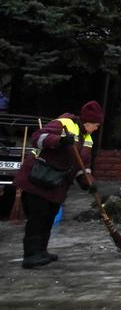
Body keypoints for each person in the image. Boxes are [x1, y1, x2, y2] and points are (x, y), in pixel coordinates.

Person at [13, 101, 103, 268]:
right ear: (88, 122)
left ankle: (41, 251)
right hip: (38, 178)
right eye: (96, 125)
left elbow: (83, 164)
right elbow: (38, 138)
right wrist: (60, 140)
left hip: (56, 184)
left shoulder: (87, 139)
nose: (97, 128)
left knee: (49, 216)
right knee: (37, 217)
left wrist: (87, 182)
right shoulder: (65, 123)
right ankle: (31, 255)